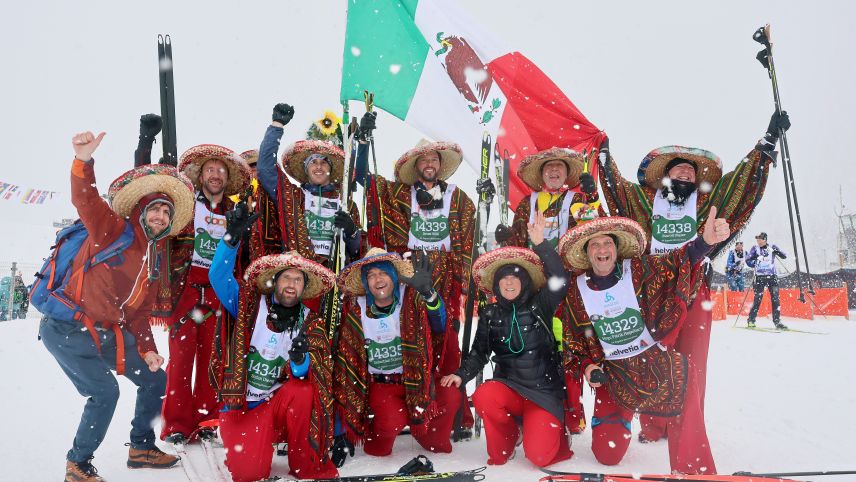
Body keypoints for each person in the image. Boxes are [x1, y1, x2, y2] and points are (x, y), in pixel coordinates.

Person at [598, 111, 791, 443]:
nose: (685, 171)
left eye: (691, 169)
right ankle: (654, 425)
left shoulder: (707, 204)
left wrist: (767, 142)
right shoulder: (644, 202)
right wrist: (603, 156)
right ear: (665, 178)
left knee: (692, 363)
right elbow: (618, 191)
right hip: (650, 289)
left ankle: (683, 428)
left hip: (694, 286)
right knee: (651, 357)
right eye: (678, 168)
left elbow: (738, 185)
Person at [41, 131, 194, 481]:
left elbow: (139, 316)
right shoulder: (111, 230)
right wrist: (83, 161)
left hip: (106, 332)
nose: (160, 215)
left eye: (166, 212)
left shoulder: (154, 262)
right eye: (154, 208)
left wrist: (149, 351)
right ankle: (77, 464)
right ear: (141, 211)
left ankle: (141, 446)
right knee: (104, 392)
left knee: (155, 378)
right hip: (66, 329)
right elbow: (86, 201)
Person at [557, 207, 731, 475]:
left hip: (651, 362)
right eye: (595, 245)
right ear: (586, 252)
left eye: (607, 243)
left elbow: (678, 261)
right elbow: (574, 346)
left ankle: (694, 469)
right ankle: (620, 423)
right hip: (613, 375)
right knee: (607, 455)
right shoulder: (575, 291)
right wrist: (588, 368)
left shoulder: (638, 270)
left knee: (684, 375)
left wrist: (704, 243)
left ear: (616, 249)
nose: (602, 250)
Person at [358, 111, 478, 434]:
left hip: (445, 286)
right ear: (416, 166)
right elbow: (366, 182)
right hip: (409, 284)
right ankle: (414, 404)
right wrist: (362, 144)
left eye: (433, 159)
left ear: (439, 165)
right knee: (413, 343)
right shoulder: (400, 195)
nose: (429, 164)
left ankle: (453, 413)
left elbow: (469, 237)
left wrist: (462, 283)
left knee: (448, 346)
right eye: (423, 159)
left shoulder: (458, 198)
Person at [207, 201, 338, 481]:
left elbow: (313, 376)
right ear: (275, 282)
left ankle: (306, 466)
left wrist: (301, 361)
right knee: (250, 475)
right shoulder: (249, 306)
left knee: (304, 391)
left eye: (298, 280)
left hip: (278, 407)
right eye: (286, 277)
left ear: (304, 288)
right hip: (242, 407)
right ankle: (249, 446)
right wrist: (230, 240)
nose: (292, 284)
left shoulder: (309, 321)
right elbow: (217, 277)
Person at [440, 212, 574, 468]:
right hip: (510, 389)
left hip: (543, 393)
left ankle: (550, 431)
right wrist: (461, 374)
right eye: (503, 278)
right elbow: (479, 353)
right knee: (483, 396)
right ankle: (511, 435)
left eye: (514, 277)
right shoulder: (490, 314)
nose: (509, 282)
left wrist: (542, 244)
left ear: (524, 282)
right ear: (497, 284)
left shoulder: (541, 305)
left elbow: (560, 280)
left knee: (540, 458)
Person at [494, 147, 602, 435]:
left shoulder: (576, 200)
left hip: (569, 288)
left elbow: (594, 226)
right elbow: (515, 246)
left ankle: (570, 414)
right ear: (541, 175)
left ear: (567, 173)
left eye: (559, 168)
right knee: (533, 348)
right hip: (534, 289)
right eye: (548, 168)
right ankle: (529, 407)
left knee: (568, 348)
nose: (554, 172)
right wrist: (505, 238)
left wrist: (592, 197)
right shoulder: (527, 204)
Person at [159, 144, 252, 444]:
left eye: (221, 171)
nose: (216, 175)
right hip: (186, 291)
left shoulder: (234, 212)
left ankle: (208, 419)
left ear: (227, 180)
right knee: (181, 359)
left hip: (218, 293)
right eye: (210, 170)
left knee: (214, 358)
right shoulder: (185, 206)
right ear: (200, 176)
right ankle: (176, 424)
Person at [332, 248, 460, 463]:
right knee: (386, 434)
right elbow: (348, 361)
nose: (377, 280)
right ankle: (380, 434)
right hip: (383, 385)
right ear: (365, 283)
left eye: (382, 273)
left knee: (450, 398)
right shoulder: (357, 311)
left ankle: (425, 432)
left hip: (418, 380)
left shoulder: (411, 300)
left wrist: (429, 294)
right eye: (370, 275)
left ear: (393, 276)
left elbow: (439, 325)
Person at [255, 103, 362, 268]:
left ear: (331, 169)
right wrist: (277, 126)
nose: (318, 167)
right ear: (306, 169)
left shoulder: (346, 204)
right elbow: (264, 169)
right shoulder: (293, 197)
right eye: (313, 162)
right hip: (297, 277)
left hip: (333, 283)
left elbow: (357, 252)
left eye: (324, 162)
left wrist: (351, 232)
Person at [745, 232, 788, 329]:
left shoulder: (772, 246)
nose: (758, 242)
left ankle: (777, 322)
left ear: (765, 239)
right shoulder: (755, 248)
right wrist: (756, 260)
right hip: (759, 277)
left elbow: (784, 256)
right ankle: (751, 320)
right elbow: (748, 261)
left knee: (775, 299)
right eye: (757, 240)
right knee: (757, 299)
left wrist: (775, 251)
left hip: (772, 277)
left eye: (760, 240)